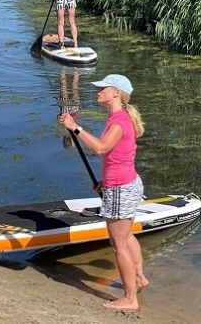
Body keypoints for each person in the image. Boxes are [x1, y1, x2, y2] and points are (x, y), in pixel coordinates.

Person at [58, 74, 147, 310]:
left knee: (119, 245)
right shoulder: (119, 117)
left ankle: (130, 298)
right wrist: (104, 182)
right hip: (123, 184)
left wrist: (75, 127)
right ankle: (139, 278)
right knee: (126, 236)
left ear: (116, 93)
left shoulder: (119, 121)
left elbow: (101, 148)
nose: (97, 91)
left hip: (121, 189)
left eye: (102, 88)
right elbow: (117, 156)